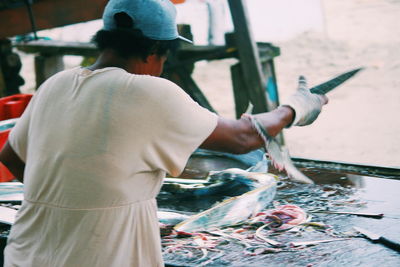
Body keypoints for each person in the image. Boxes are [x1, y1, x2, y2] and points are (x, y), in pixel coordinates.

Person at [0, 0, 327, 266]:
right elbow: (244, 137)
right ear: (154, 50)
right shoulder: (148, 92)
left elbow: (11, 155)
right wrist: (295, 108)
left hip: (25, 254)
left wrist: (69, 199)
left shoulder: (56, 84)